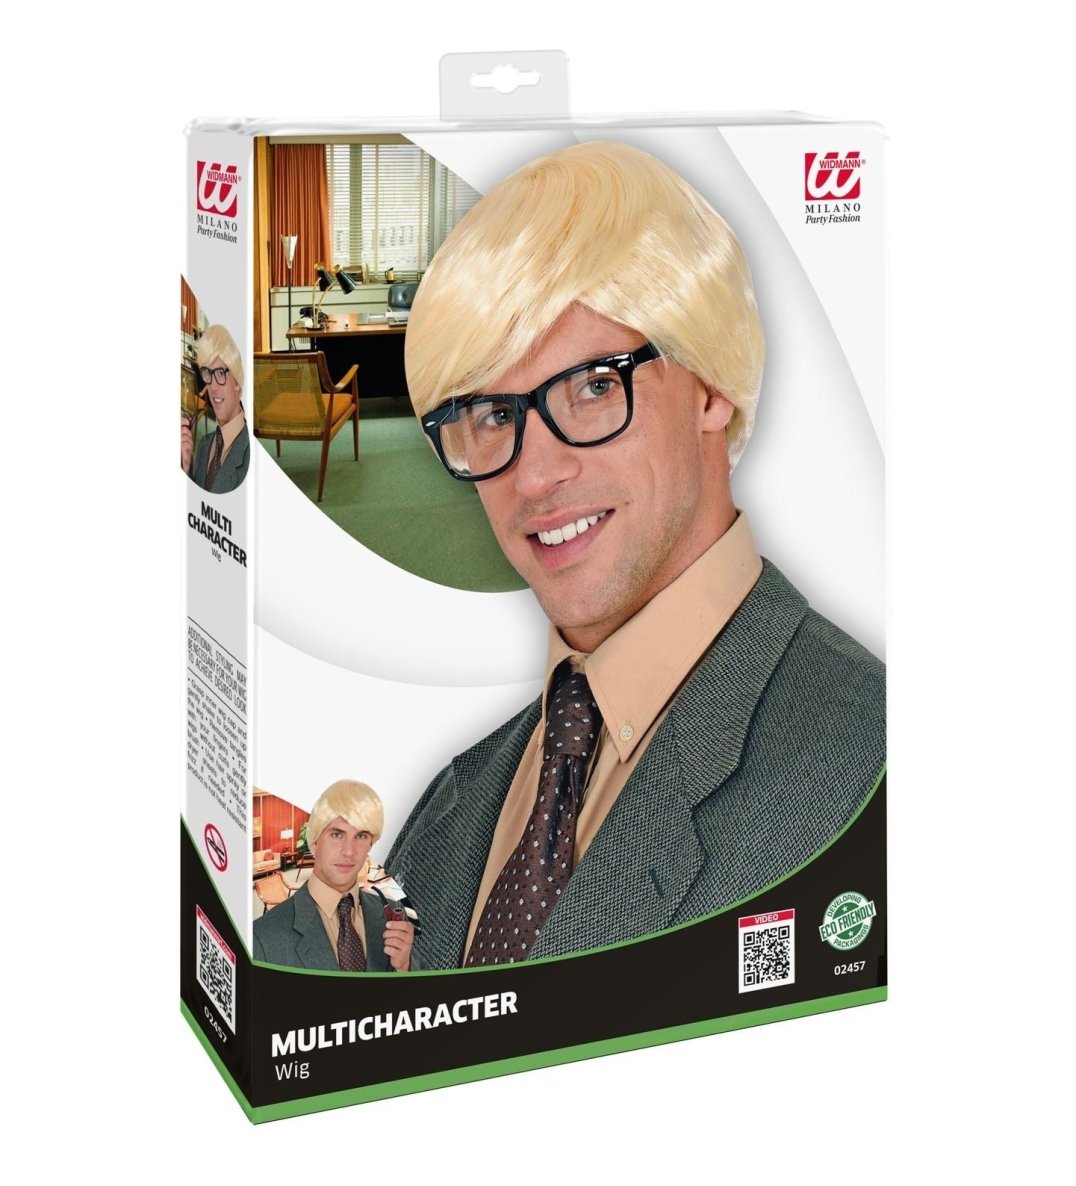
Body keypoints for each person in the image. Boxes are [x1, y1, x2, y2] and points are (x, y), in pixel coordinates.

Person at [387, 141, 885, 968]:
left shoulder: (873, 769)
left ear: (711, 385)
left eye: (592, 385)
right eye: (493, 415)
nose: (535, 476)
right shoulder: (447, 814)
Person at [254, 780, 414, 972]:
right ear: (315, 842)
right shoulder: (262, 937)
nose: (349, 851)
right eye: (337, 835)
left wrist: (405, 967)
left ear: (370, 845)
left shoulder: (395, 916)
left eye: (361, 836)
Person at [181, 323, 250, 493]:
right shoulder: (204, 445)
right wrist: (186, 466)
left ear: (237, 382)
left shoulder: (250, 455)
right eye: (208, 373)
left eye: (220, 373)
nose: (212, 387)